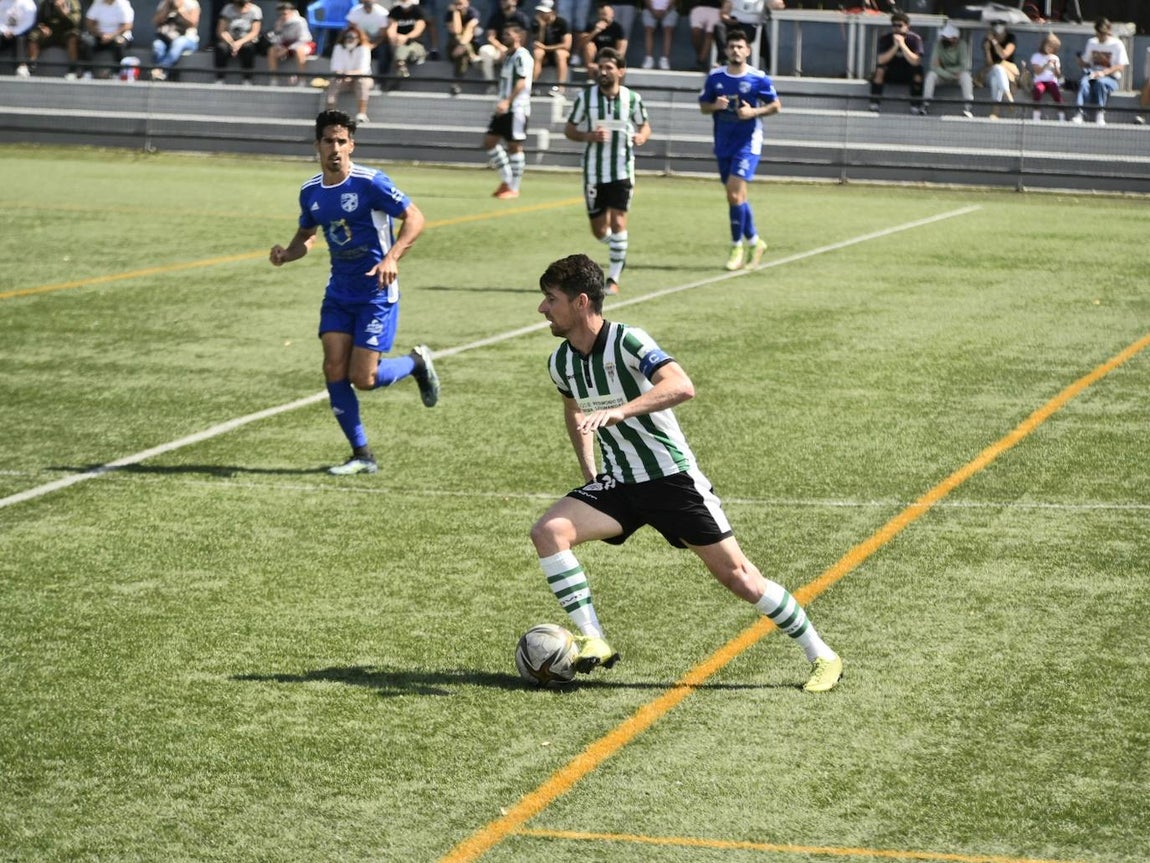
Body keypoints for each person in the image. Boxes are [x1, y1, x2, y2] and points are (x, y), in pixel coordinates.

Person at [530, 253, 844, 692]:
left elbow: (681, 385)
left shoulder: (628, 341)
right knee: (548, 531)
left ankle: (822, 655)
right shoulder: (561, 362)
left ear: (581, 302)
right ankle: (594, 638)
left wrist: (622, 412)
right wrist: (590, 470)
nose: (543, 308)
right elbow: (574, 410)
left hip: (671, 482)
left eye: (551, 299)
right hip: (620, 483)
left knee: (741, 579)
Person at [269, 110, 439, 476]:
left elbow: (415, 218)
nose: (335, 148)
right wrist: (286, 254)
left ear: (352, 145)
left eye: (342, 141)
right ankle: (362, 454)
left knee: (364, 379)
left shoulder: (371, 182)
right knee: (333, 365)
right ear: (317, 145)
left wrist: (392, 257)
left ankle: (416, 363)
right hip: (339, 292)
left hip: (376, 292)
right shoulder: (310, 191)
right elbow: (307, 237)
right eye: (328, 141)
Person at [564, 48, 649, 295]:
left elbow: (645, 126)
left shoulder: (632, 99)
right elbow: (569, 130)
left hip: (622, 170)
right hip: (593, 172)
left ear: (620, 72)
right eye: (600, 67)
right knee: (600, 231)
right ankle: (619, 253)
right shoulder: (585, 98)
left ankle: (613, 278)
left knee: (619, 221)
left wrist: (641, 136)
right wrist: (588, 136)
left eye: (609, 67)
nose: (603, 71)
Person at [698, 28, 776, 272]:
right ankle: (755, 241)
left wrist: (753, 112)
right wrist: (715, 105)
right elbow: (703, 106)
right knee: (738, 196)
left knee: (733, 194)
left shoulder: (758, 78)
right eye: (732, 46)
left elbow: (776, 105)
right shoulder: (715, 77)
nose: (736, 50)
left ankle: (736, 247)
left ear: (748, 51)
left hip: (748, 142)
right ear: (726, 50)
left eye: (740, 47)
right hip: (723, 142)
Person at [484, 22, 532, 199]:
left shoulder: (522, 56)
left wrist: (507, 101)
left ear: (519, 36)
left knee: (514, 146)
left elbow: (522, 81)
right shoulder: (509, 56)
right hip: (504, 107)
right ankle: (507, 180)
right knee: (489, 142)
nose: (504, 36)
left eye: (508, 34)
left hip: (516, 108)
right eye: (503, 34)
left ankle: (514, 187)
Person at [1072, 17, 1128, 126]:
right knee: (1083, 83)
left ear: (1108, 31)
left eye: (1103, 34)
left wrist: (1104, 73)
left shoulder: (1117, 44)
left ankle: (1100, 113)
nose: (1100, 37)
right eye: (1098, 34)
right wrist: (1080, 61)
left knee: (1101, 83)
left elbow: (1121, 66)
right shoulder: (1091, 42)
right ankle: (1079, 113)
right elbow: (1086, 62)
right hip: (1092, 75)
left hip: (1110, 78)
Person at [868, 11, 923, 115]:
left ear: (907, 26)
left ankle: (916, 105)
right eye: (894, 25)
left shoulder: (915, 39)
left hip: (908, 72)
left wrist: (902, 45)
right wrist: (895, 47)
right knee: (879, 70)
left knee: (918, 73)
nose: (896, 28)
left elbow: (916, 61)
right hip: (891, 72)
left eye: (900, 25)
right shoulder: (886, 38)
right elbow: (880, 60)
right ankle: (874, 103)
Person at [922, 22, 972, 118]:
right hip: (944, 75)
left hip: (956, 77)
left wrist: (944, 68)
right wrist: (950, 73)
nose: (944, 39)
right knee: (931, 75)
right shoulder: (938, 44)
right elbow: (933, 66)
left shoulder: (962, 45)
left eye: (947, 37)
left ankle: (968, 108)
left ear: (955, 39)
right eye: (943, 36)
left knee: (966, 76)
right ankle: (925, 105)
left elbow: (965, 66)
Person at [326, 24, 373, 122]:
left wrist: (348, 74)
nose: (350, 39)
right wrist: (343, 75)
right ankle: (330, 113)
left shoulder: (364, 48)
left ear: (359, 38)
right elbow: (336, 67)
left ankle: (362, 113)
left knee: (361, 81)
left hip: (361, 78)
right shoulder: (338, 48)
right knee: (335, 80)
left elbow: (363, 70)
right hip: (343, 78)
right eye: (348, 37)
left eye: (353, 37)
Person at [476, 0, 529, 83]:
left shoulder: (521, 18)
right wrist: (501, 48)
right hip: (499, 49)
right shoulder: (496, 17)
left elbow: (523, 40)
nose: (502, 1)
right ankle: (491, 84)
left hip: (515, 50)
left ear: (515, 1)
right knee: (485, 50)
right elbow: (491, 37)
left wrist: (510, 51)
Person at [26, 0, 81, 78]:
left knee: (73, 38)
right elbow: (39, 20)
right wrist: (42, 28)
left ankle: (72, 69)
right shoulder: (45, 3)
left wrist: (62, 11)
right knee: (33, 36)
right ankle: (32, 67)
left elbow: (75, 23)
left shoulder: (72, 2)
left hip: (65, 31)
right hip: (49, 32)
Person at [79, 0, 134, 78]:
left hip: (118, 36)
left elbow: (127, 25)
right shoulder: (97, 3)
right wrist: (100, 34)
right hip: (99, 36)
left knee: (119, 44)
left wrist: (111, 36)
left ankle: (117, 73)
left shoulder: (123, 4)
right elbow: (89, 22)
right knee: (86, 43)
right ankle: (87, 72)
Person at [264, 1, 313, 85]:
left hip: (302, 44)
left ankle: (302, 80)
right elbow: (277, 39)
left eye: (285, 13)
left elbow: (304, 39)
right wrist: (279, 46)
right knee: (271, 50)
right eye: (280, 14)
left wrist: (288, 49)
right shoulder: (279, 22)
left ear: (291, 12)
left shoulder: (300, 22)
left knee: (299, 50)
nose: (282, 16)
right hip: (286, 45)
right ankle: (273, 79)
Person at [150, 0, 200, 81]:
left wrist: (180, 9)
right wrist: (167, 8)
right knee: (157, 45)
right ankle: (162, 75)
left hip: (187, 39)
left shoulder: (192, 3)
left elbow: (193, 23)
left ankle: (161, 71)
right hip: (166, 37)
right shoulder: (165, 3)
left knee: (178, 43)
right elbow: (155, 22)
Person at [213, 0, 261, 84]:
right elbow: (221, 31)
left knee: (248, 48)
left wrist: (239, 43)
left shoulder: (255, 10)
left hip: (246, 40)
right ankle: (219, 79)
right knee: (221, 47)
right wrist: (232, 43)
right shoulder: (227, 9)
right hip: (230, 40)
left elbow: (254, 32)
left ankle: (247, 79)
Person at [575, 2, 626, 78]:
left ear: (612, 14)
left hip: (611, 56)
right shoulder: (592, 25)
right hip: (596, 56)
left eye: (606, 14)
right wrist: (595, 31)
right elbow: (581, 44)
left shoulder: (617, 27)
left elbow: (621, 46)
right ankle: (591, 78)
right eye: (601, 14)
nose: (603, 17)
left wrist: (613, 61)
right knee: (589, 45)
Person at [979, 20, 1017, 119]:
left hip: (1007, 74)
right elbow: (989, 64)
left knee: (995, 81)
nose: (997, 26)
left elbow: (1003, 55)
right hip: (991, 71)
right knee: (997, 68)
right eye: (995, 24)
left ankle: (995, 111)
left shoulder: (1010, 38)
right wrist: (987, 49)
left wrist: (994, 41)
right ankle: (1007, 95)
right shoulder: (987, 40)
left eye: (1000, 24)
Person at [532, 0, 570, 93]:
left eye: (544, 12)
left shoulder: (562, 22)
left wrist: (546, 48)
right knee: (537, 53)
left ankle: (561, 87)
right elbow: (538, 43)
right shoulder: (537, 23)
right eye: (540, 11)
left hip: (557, 51)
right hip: (544, 54)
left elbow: (566, 45)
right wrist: (542, 27)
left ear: (552, 12)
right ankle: (532, 85)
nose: (541, 14)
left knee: (560, 54)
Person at [346, 0, 389, 80]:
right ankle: (348, 77)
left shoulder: (383, 13)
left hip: (377, 42)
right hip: (359, 40)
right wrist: (364, 42)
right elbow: (352, 29)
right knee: (348, 46)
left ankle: (381, 80)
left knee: (384, 52)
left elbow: (383, 36)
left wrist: (372, 45)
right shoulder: (355, 11)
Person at [444, 0, 478, 93]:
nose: (459, 6)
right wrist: (455, 13)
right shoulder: (449, 14)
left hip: (465, 47)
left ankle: (456, 83)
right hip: (453, 47)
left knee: (462, 55)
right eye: (456, 4)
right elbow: (456, 30)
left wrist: (462, 45)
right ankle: (472, 56)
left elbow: (469, 31)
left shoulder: (473, 12)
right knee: (457, 37)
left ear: (468, 3)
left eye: (461, 3)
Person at [1028, 31, 1063, 121]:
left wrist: (1055, 66)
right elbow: (1037, 72)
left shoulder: (1055, 58)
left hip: (1051, 81)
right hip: (1040, 80)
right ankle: (1036, 115)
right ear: (1044, 44)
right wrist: (1046, 64)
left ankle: (1061, 115)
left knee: (1056, 92)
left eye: (1053, 47)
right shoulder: (1036, 56)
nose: (1050, 49)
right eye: (1049, 46)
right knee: (1038, 90)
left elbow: (1058, 75)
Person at [388, 0, 427, 79]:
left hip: (415, 44)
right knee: (400, 47)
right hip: (399, 43)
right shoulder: (395, 11)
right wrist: (394, 38)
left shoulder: (418, 11)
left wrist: (406, 37)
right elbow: (391, 28)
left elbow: (418, 29)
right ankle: (401, 65)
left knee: (403, 48)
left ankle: (401, 64)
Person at [0, 0, 36, 76]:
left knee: (20, 39)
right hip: (4, 32)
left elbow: (28, 22)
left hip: (20, 32)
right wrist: (4, 30)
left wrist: (14, 31)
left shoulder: (28, 3)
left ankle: (22, 66)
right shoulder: (3, 2)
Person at [639, 0, 676, 70]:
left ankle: (665, 59)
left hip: (669, 10)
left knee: (668, 29)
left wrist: (665, 10)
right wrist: (653, 10)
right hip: (649, 9)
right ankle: (649, 58)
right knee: (648, 29)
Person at [688, 0, 721, 72]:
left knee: (709, 34)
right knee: (695, 32)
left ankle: (701, 61)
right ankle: (701, 56)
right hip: (698, 7)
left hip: (716, 8)